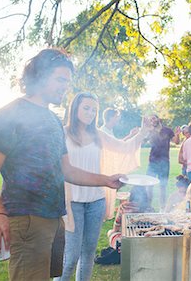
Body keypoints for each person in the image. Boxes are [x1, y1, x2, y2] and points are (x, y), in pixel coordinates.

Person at [0, 48, 122, 281]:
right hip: (26, 221)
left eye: (68, 81)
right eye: (60, 79)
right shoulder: (10, 114)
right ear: (40, 75)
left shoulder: (53, 119)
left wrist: (105, 180)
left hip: (55, 220)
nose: (66, 86)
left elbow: (67, 169)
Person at [55, 93, 151, 281]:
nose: (90, 113)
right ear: (75, 109)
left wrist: (143, 131)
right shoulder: (62, 133)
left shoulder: (98, 135)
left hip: (96, 201)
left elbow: (124, 148)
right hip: (71, 202)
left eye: (94, 110)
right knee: (70, 257)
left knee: (88, 254)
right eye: (86, 108)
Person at [145, 115, 180, 210]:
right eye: (151, 119)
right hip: (152, 162)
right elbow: (142, 140)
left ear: (158, 119)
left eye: (153, 118)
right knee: (149, 185)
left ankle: (162, 207)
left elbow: (176, 142)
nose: (152, 120)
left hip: (164, 162)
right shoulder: (150, 131)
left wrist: (177, 134)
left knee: (163, 186)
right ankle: (148, 206)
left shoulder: (167, 130)